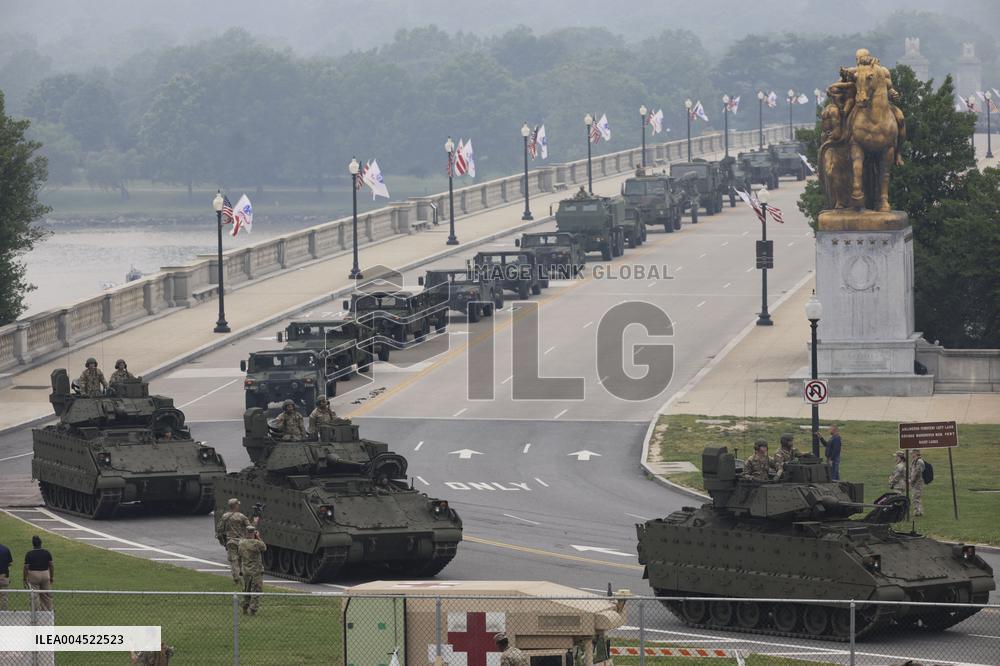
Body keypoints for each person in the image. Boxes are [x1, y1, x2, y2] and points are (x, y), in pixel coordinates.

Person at [216, 498, 254, 584]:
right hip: (241, 541)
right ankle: (244, 576)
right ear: (236, 505)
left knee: (233, 560)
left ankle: (236, 578)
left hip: (231, 541)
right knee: (242, 559)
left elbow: (219, 529)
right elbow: (250, 527)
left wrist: (222, 540)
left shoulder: (225, 516)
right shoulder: (241, 516)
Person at [238, 526, 266, 615]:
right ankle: (253, 609)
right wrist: (257, 537)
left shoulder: (241, 542)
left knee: (246, 590)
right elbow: (264, 547)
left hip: (246, 570)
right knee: (256, 590)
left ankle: (244, 607)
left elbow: (239, 553)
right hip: (255, 571)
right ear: (253, 533)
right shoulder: (256, 543)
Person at [23, 535, 53, 611]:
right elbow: (51, 565)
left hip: (34, 575)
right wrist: (51, 576)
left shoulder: (29, 554)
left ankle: (35, 613)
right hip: (45, 574)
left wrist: (24, 578)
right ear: (41, 543)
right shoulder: (47, 553)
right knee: (46, 595)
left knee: (34, 595)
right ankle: (47, 613)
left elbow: (26, 567)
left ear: (33, 544)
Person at [909, 449, 926, 516]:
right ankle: (918, 511)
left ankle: (918, 511)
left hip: (917, 482)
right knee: (915, 497)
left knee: (916, 496)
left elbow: (917, 472)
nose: (911, 455)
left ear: (916, 453)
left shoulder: (919, 461)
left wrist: (912, 480)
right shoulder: (915, 461)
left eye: (912, 453)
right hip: (915, 482)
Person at [0, 540, 12, 610]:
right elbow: (9, 563)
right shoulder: (6, 549)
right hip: (3, 576)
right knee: (4, 597)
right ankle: (4, 614)